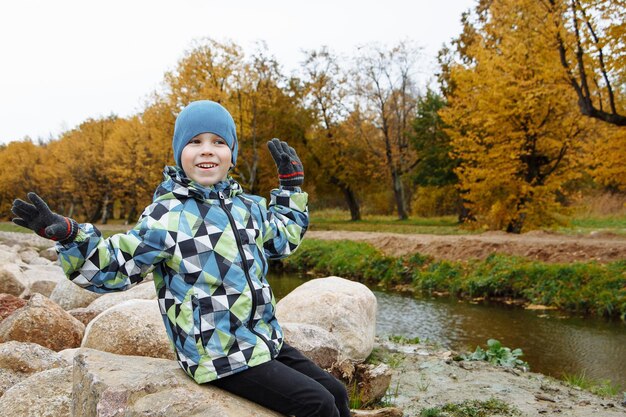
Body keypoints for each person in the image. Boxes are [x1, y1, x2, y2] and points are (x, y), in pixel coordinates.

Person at [11, 100, 350, 417]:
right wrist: (71, 235)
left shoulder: (248, 207)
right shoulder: (166, 216)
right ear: (179, 153)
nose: (207, 150)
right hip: (216, 353)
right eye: (195, 142)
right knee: (317, 404)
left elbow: (283, 240)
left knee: (336, 393)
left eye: (219, 142)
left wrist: (291, 188)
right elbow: (115, 267)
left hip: (261, 338)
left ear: (232, 154)